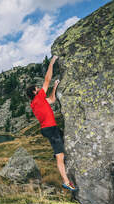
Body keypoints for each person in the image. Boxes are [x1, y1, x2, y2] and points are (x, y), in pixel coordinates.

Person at [25, 55, 76, 191]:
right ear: (35, 92)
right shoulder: (38, 98)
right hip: (50, 129)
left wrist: (54, 87)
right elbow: (47, 78)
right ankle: (66, 181)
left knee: (65, 141)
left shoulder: (37, 102)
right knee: (60, 156)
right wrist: (52, 62)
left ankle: (61, 160)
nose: (40, 89)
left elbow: (52, 100)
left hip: (50, 129)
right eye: (38, 88)